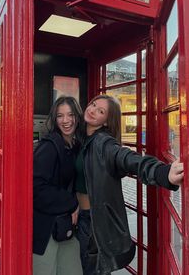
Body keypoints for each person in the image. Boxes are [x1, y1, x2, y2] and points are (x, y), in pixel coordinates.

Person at [75, 95, 184, 275]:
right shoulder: (83, 138)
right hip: (79, 217)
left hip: (95, 223)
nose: (93, 110)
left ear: (106, 122)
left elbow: (128, 159)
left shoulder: (103, 143)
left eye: (101, 111)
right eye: (93, 104)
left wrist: (162, 172)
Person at [33, 96, 84, 275]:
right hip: (46, 228)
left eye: (70, 115)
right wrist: (72, 203)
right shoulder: (49, 147)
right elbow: (36, 187)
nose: (66, 121)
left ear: (77, 117)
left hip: (66, 225)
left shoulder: (74, 145)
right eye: (60, 116)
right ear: (54, 119)